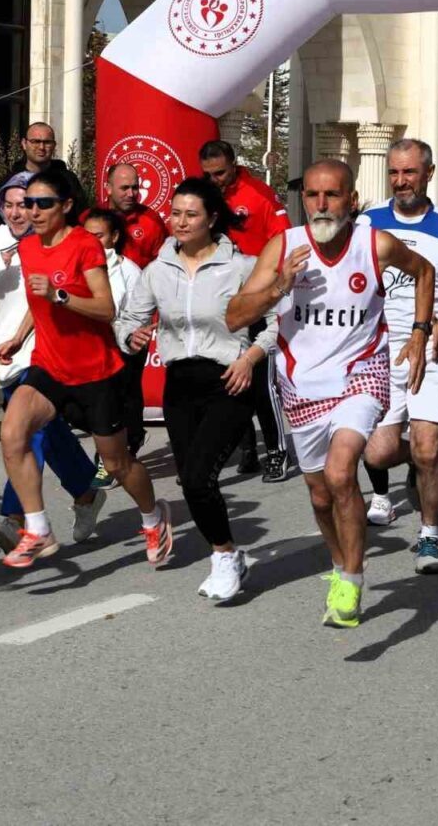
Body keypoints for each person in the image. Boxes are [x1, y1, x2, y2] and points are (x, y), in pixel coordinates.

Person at [227, 159, 434, 628]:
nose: (321, 205)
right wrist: (280, 286)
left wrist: (420, 331)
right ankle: (341, 566)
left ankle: (354, 580)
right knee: (321, 495)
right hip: (301, 385)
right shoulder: (285, 247)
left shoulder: (375, 244)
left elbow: (423, 272)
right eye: (313, 195)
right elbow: (235, 316)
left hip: (361, 374)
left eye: (332, 195)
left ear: (352, 201)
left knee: (343, 473)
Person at [0, 170, 172, 568]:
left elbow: (105, 309)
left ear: (66, 206)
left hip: (97, 374)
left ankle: (153, 517)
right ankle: (37, 527)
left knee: (117, 465)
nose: (33, 211)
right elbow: (35, 301)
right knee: (12, 432)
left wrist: (60, 295)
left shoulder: (84, 246)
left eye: (43, 203)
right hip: (50, 367)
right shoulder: (28, 248)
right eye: (28, 203)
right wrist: (21, 337)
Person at [115, 177, 276, 600]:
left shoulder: (242, 267)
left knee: (200, 476)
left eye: (191, 215)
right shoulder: (157, 270)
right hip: (180, 385)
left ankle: (223, 557)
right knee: (191, 482)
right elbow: (128, 320)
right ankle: (230, 556)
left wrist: (250, 358)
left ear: (212, 219)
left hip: (229, 379)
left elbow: (278, 322)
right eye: (175, 213)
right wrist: (130, 336)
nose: (180, 222)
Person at [0, 172, 104, 554]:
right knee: (49, 435)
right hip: (7, 352)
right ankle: (86, 489)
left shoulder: (56, 240)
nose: (19, 212)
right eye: (9, 205)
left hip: (46, 353)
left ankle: (16, 518)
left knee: (24, 433)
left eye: (28, 204)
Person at [359, 139, 438, 575]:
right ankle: (420, 463)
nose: (400, 181)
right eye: (394, 172)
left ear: (428, 173)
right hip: (382, 355)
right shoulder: (368, 224)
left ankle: (430, 536)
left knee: (430, 450)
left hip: (432, 352)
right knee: (375, 454)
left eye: (409, 172)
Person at [200, 139, 292, 482]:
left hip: (255, 296)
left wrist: (270, 288)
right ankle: (246, 449)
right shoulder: (204, 196)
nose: (215, 180)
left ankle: (276, 452)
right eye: (208, 174)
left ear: (234, 164)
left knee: (261, 382)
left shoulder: (259, 194)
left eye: (221, 173)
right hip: (219, 299)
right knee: (225, 377)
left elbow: (283, 240)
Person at [83, 208, 145, 490]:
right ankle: (116, 450)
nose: (92, 241)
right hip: (93, 348)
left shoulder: (130, 272)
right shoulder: (80, 265)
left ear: (115, 236)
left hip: (126, 346)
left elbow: (138, 314)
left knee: (125, 401)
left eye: (99, 236)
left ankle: (114, 457)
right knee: (101, 406)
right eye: (87, 235)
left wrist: (126, 336)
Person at [0, 122, 71, 229]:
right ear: (24, 144)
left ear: (54, 145)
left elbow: (79, 219)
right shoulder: (9, 182)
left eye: (47, 142)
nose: (41, 147)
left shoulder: (67, 180)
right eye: (35, 141)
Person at [99, 164, 167, 269]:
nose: (131, 194)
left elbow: (163, 268)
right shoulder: (90, 220)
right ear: (109, 189)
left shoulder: (152, 222)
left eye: (135, 188)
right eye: (124, 188)